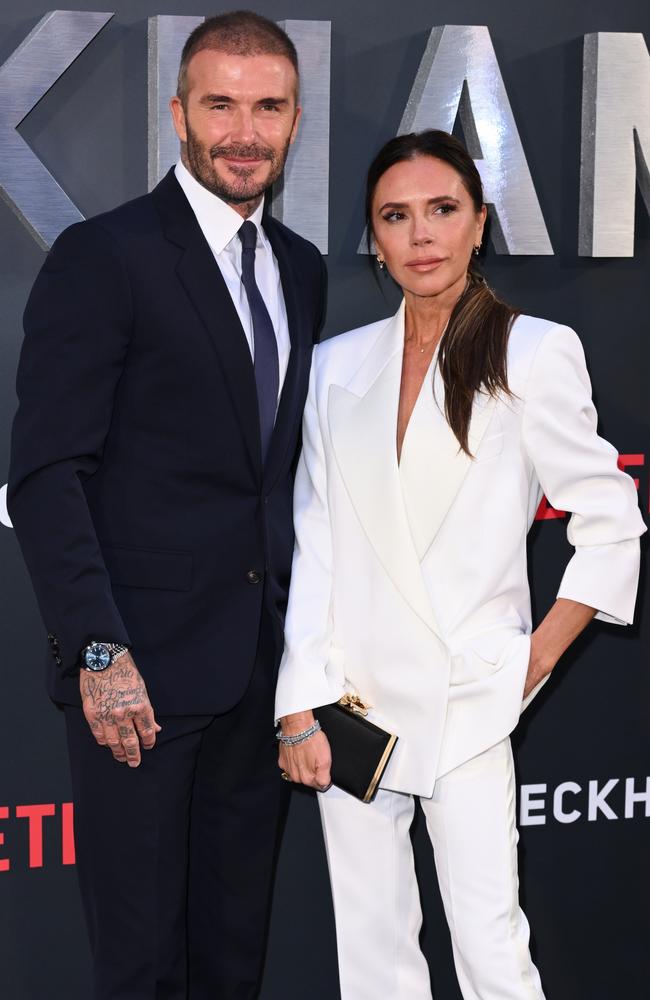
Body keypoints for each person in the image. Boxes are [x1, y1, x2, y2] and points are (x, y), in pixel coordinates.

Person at [274, 129, 645, 1000]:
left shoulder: (532, 351)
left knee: (490, 951)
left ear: (480, 223)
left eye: (442, 210)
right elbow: (317, 541)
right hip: (352, 704)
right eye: (395, 217)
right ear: (375, 237)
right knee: (371, 956)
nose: (421, 235)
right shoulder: (335, 367)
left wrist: (534, 657)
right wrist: (298, 705)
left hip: (469, 698)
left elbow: (611, 518)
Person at [8, 11, 326, 1000]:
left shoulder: (303, 270)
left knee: (234, 958)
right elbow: (47, 473)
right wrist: (99, 652)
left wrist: (309, 669)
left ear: (294, 118)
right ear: (177, 110)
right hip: (138, 684)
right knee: (142, 967)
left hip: (257, 678)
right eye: (220, 103)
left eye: (266, 106)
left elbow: (272, 480)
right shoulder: (105, 257)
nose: (244, 130)